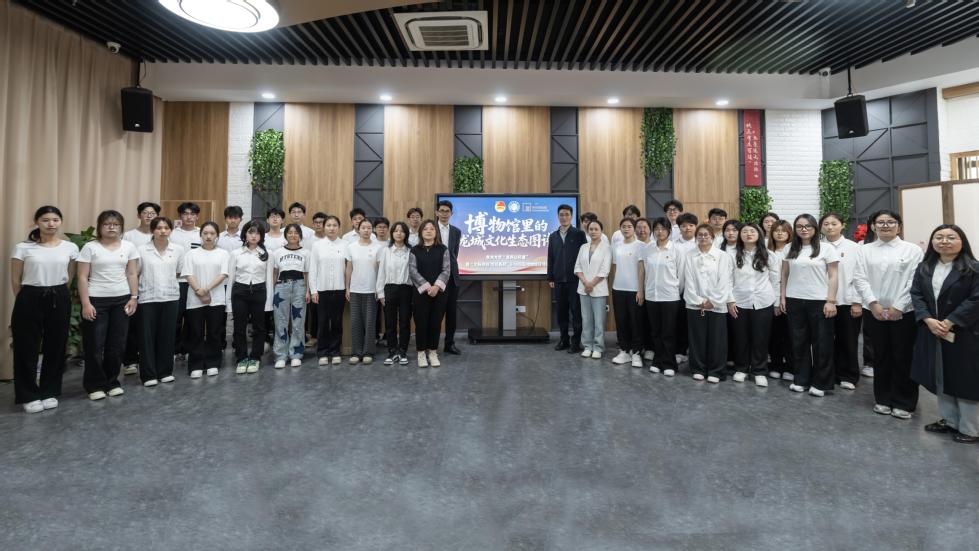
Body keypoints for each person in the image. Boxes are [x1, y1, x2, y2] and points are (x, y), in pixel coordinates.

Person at [911, 224, 979, 444]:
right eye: (939, 237)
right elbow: (916, 294)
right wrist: (928, 319)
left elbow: (976, 300)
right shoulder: (924, 267)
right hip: (933, 330)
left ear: (962, 241)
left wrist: (950, 321)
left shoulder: (973, 268)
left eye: (951, 237)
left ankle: (970, 428)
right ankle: (950, 420)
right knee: (940, 376)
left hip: (964, 332)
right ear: (932, 242)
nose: (944, 241)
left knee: (965, 379)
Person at [852, 210, 923, 419]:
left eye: (890, 222)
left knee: (903, 356)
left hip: (904, 312)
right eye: (880, 222)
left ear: (899, 226)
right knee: (881, 356)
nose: (885, 225)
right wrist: (872, 304)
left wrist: (899, 306)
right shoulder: (864, 250)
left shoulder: (912, 250)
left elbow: (914, 281)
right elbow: (860, 278)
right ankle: (882, 399)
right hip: (873, 311)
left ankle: (904, 402)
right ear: (873, 226)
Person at [10, 206, 78, 413]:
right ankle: (28, 395)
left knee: (56, 346)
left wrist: (58, 293)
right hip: (30, 296)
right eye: (45, 220)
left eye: (55, 220)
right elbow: (15, 280)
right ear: (36, 222)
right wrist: (26, 299)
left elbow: (70, 276)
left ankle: (50, 391)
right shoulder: (23, 247)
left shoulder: (70, 247)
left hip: (59, 295)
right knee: (26, 347)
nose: (51, 224)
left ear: (60, 222)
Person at [77, 210, 140, 400]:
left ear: (121, 227)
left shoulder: (129, 247)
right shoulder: (90, 247)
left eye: (116, 224)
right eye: (107, 224)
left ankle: (112, 382)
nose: (112, 227)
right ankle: (95, 385)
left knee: (117, 345)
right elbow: (82, 277)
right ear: (100, 227)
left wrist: (134, 297)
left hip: (122, 300)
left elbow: (132, 273)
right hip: (96, 300)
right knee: (95, 345)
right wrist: (86, 303)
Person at [780, 213, 839, 397]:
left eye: (807, 226)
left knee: (822, 343)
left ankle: (821, 383)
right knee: (798, 342)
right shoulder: (789, 248)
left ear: (815, 228)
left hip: (819, 301)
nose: (803, 229)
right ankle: (801, 380)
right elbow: (784, 274)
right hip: (794, 299)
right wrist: (782, 297)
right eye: (799, 226)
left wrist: (831, 301)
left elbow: (833, 275)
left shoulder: (827, 248)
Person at [136, 216, 184, 387]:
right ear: (152, 230)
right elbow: (136, 272)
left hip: (170, 297)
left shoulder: (177, 249)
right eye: (159, 228)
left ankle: (165, 372)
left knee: (167, 336)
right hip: (147, 298)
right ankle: (148, 374)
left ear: (171, 230)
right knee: (147, 338)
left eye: (166, 228)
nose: (163, 231)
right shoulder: (141, 250)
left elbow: (179, 271)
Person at [729, 223, 779, 387]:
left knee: (761, 338)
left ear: (759, 234)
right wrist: (730, 300)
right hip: (739, 301)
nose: (748, 234)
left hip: (763, 301)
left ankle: (759, 371)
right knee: (740, 337)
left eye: (752, 231)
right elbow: (727, 279)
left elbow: (775, 280)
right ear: (740, 235)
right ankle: (741, 368)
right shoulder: (732, 255)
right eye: (744, 231)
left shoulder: (769, 255)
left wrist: (777, 302)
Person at [683, 224, 733, 383]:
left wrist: (713, 301)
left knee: (717, 339)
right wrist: (698, 301)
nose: (703, 237)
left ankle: (716, 371)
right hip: (695, 304)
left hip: (717, 305)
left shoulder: (722, 256)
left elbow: (724, 281)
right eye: (700, 235)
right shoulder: (689, 255)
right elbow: (688, 280)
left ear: (712, 237)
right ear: (696, 237)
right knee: (697, 338)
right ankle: (698, 368)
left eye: (706, 235)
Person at [182, 222, 230, 378]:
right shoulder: (191, 254)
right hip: (194, 298)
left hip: (216, 298)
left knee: (214, 332)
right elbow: (188, 274)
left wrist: (206, 290)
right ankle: (195, 364)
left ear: (217, 236)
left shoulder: (223, 254)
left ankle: (213, 362)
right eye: (205, 233)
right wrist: (199, 290)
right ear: (200, 235)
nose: (208, 236)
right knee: (195, 332)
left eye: (212, 233)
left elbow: (223, 274)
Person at [820, 213, 862, 390]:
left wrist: (857, 302)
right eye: (826, 224)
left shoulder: (854, 248)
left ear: (842, 225)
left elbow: (860, 275)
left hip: (847, 301)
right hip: (822, 301)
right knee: (824, 341)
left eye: (834, 223)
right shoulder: (817, 246)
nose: (829, 227)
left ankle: (848, 375)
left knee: (848, 340)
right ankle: (827, 374)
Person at [640, 217, 685, 376]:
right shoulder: (648, 249)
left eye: (663, 229)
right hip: (652, 296)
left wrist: (675, 290)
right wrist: (644, 291)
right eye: (657, 229)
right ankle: (657, 361)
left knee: (668, 332)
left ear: (669, 231)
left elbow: (681, 276)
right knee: (655, 331)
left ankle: (669, 364)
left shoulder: (676, 250)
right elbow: (645, 271)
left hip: (670, 297)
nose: (660, 232)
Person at [228, 220, 273, 374]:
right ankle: (241, 358)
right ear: (245, 234)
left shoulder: (267, 254)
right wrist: (229, 303)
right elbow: (231, 279)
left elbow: (269, 280)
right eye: (251, 232)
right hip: (240, 291)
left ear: (262, 236)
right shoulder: (236, 253)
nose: (254, 236)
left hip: (259, 291)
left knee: (259, 327)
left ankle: (255, 357)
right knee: (239, 327)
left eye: (258, 233)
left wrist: (269, 302)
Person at [121, 201, 160, 376]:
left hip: (154, 286)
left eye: (153, 213)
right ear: (139, 215)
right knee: (132, 324)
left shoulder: (162, 234)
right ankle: (130, 361)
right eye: (145, 212)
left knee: (150, 326)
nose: (149, 216)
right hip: (132, 285)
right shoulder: (129, 236)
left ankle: (150, 359)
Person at [409, 219, 451, 368]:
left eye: (432, 229)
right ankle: (421, 353)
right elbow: (412, 271)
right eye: (425, 229)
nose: (428, 231)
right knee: (421, 323)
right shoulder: (415, 250)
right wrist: (427, 287)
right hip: (421, 293)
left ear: (436, 232)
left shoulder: (443, 249)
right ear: (421, 232)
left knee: (435, 322)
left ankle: (433, 352)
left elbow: (446, 270)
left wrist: (436, 287)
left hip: (439, 293)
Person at [547, 204, 587, 354]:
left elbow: (584, 257)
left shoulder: (579, 234)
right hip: (558, 281)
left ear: (571, 216)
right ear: (558, 216)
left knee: (576, 312)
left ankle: (576, 342)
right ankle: (564, 340)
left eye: (567, 214)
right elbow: (550, 258)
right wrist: (550, 277)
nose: (564, 217)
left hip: (575, 280)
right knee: (561, 312)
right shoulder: (553, 236)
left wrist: (583, 276)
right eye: (561, 215)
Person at [309, 215, 349, 365]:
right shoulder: (317, 245)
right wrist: (313, 290)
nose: (331, 228)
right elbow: (313, 269)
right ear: (324, 227)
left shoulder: (345, 245)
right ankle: (322, 352)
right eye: (328, 225)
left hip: (339, 289)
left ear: (339, 228)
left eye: (334, 225)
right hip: (322, 290)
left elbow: (349, 269)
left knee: (337, 322)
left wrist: (348, 288)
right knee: (323, 322)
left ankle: (335, 351)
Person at [272, 223, 309, 369]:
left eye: (296, 232)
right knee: (280, 320)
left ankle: (296, 353)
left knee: (298, 321)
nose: (293, 235)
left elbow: (307, 273)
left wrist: (308, 290)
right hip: (281, 286)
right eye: (290, 232)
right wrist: (272, 289)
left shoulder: (306, 252)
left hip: (299, 285)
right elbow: (275, 272)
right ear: (285, 235)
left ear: (300, 235)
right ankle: (281, 355)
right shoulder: (278, 252)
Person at [345, 218, 382, 364]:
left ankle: (368, 352)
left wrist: (379, 290)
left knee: (370, 322)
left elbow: (380, 271)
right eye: (363, 228)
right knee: (356, 322)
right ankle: (356, 352)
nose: (366, 230)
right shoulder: (351, 247)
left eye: (369, 228)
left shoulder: (378, 247)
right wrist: (347, 288)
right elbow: (349, 268)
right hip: (355, 290)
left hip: (372, 290)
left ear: (372, 230)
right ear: (358, 229)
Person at [575, 219, 612, 360]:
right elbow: (577, 267)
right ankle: (587, 346)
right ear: (587, 231)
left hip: (599, 288)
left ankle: (598, 347)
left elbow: (605, 270)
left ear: (601, 231)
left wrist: (592, 284)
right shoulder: (583, 247)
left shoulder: (606, 248)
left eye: (596, 229)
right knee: (586, 319)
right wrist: (586, 283)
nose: (593, 231)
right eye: (591, 229)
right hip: (583, 288)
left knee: (599, 320)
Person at [610, 218, 644, 368]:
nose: (626, 229)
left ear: (634, 229)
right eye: (623, 226)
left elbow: (641, 269)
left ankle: (636, 353)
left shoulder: (640, 246)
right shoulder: (617, 245)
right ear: (620, 229)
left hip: (634, 290)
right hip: (618, 289)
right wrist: (614, 285)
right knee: (621, 321)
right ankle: (624, 350)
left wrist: (640, 290)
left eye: (629, 226)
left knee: (636, 322)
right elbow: (615, 267)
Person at [169, 202, 202, 360]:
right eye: (185, 214)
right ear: (180, 216)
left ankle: (188, 349)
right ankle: (174, 349)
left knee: (192, 317)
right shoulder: (172, 234)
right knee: (176, 317)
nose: (189, 217)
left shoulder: (202, 233)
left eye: (192, 214)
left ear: (197, 216)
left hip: (196, 281)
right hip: (177, 281)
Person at [377, 221, 413, 365]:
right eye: (396, 231)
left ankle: (403, 351)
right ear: (392, 233)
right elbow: (381, 272)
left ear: (406, 234)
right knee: (390, 323)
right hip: (389, 289)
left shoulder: (411, 251)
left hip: (406, 289)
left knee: (404, 322)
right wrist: (380, 293)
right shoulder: (386, 251)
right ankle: (392, 351)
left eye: (402, 231)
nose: (399, 233)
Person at [767, 219, 794, 380]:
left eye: (783, 230)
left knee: (790, 335)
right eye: (776, 230)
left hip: (792, 297)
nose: (780, 233)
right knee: (774, 334)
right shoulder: (766, 251)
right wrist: (776, 301)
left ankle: (790, 367)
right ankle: (775, 364)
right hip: (770, 298)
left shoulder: (795, 251)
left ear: (789, 233)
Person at [436, 200, 462, 355]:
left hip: (452, 278)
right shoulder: (430, 228)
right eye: (442, 210)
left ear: (451, 214)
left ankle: (449, 344)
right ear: (437, 212)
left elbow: (454, 254)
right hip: (435, 278)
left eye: (447, 211)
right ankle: (432, 344)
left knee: (451, 313)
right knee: (436, 313)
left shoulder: (456, 231)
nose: (444, 214)